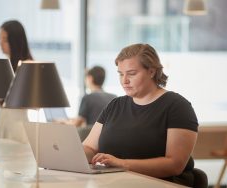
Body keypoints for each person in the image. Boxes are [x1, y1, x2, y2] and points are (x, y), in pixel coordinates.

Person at [83, 44, 198, 187]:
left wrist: (121, 164)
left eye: (131, 74)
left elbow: (174, 165)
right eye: (120, 74)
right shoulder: (115, 105)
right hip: (114, 183)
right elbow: (89, 147)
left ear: (151, 71)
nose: (124, 80)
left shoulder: (177, 107)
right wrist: (72, 153)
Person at [0, 20, 33, 143]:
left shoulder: (29, 65)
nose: (0, 43)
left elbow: (29, 101)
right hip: (3, 120)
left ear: (15, 40)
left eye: (5, 39)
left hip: (17, 124)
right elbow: (4, 103)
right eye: (0, 38)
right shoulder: (6, 65)